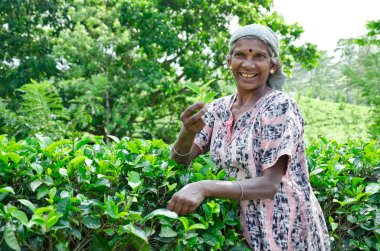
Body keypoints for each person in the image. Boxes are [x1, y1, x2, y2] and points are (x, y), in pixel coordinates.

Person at [167, 24, 330, 250]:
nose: (248, 64)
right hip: (243, 229)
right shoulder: (219, 109)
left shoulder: (279, 107)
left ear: (273, 65)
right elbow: (180, 161)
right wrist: (187, 132)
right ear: (229, 62)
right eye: (240, 55)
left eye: (259, 56)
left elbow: (270, 184)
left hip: (286, 230)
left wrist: (204, 187)